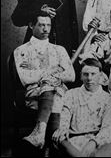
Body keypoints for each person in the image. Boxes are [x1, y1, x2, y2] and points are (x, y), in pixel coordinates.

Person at [13, 13, 75, 149]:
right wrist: (54, 70)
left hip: (60, 93)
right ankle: (55, 146)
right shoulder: (21, 50)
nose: (46, 29)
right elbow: (26, 78)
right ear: (31, 25)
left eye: (48, 25)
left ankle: (40, 135)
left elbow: (71, 75)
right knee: (52, 91)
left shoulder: (59, 49)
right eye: (41, 25)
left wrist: (37, 70)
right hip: (35, 95)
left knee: (54, 92)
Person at [52, 58, 111, 157]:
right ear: (81, 76)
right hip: (75, 139)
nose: (89, 78)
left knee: (110, 143)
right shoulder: (71, 94)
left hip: (98, 139)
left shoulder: (107, 98)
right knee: (61, 139)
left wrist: (93, 142)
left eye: (93, 74)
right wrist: (63, 129)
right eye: (85, 74)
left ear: (100, 75)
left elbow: (107, 128)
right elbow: (65, 117)